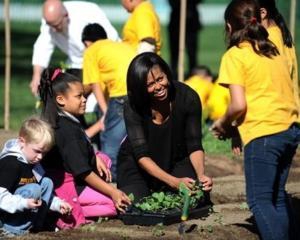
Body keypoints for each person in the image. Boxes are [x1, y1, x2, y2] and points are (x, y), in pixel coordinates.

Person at [210, 1, 300, 239]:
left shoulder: (235, 55)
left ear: (230, 27)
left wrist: (222, 123)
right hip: (289, 129)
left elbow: (239, 105)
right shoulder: (271, 48)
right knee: (277, 196)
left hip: (264, 134)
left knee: (259, 201)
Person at [38, 68, 131, 224]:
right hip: (67, 187)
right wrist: (112, 192)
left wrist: (94, 157)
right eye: (79, 96)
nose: (84, 99)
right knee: (116, 205)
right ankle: (63, 210)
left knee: (104, 159)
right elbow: (83, 172)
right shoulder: (66, 130)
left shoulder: (65, 118)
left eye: (84, 95)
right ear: (61, 99)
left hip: (73, 178)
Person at [117, 52, 212, 202]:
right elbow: (142, 156)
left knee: (195, 198)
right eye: (150, 84)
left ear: (167, 73)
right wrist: (173, 182)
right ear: (140, 88)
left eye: (160, 79)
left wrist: (200, 176)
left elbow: (194, 145)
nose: (158, 86)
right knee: (136, 205)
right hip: (138, 166)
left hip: (175, 159)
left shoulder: (187, 97)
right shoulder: (133, 106)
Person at [82, 23, 136, 181]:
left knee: (111, 144)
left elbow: (94, 83)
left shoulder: (91, 51)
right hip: (140, 91)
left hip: (122, 95)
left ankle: (111, 179)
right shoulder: (119, 46)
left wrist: (106, 112)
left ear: (87, 42)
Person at [30, 0, 119, 96]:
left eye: (57, 25)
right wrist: (37, 75)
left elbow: (110, 38)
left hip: (102, 60)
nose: (54, 30)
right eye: (50, 26)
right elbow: (43, 46)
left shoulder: (88, 12)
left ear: (66, 16)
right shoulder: (50, 22)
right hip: (75, 62)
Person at [0, 117, 72, 236]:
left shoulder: (34, 163)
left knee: (47, 182)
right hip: (4, 215)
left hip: (22, 207)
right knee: (34, 188)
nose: (40, 157)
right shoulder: (11, 163)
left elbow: (42, 193)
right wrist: (24, 203)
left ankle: (37, 227)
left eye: (44, 153)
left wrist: (58, 204)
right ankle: (10, 231)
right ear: (22, 142)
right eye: (37, 151)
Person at [258, 0, 299, 114]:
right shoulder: (279, 34)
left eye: (245, 13)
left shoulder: (268, 41)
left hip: (276, 117)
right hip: (288, 115)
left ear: (262, 12)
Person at [168, 0, 203, 78]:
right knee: (174, 53)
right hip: (176, 22)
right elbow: (171, 3)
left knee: (192, 53)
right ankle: (173, 76)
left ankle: (193, 76)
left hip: (191, 23)